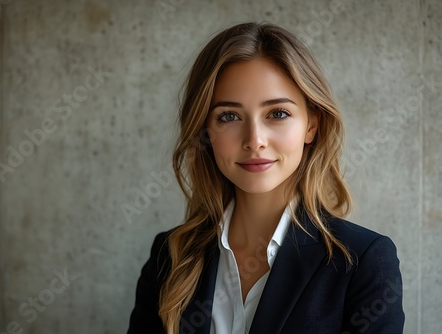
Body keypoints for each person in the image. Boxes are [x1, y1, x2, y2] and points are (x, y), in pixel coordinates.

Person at [128, 22, 404, 334]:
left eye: (277, 113)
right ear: (205, 131)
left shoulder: (362, 261)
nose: (255, 140)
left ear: (311, 125)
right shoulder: (170, 255)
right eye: (229, 116)